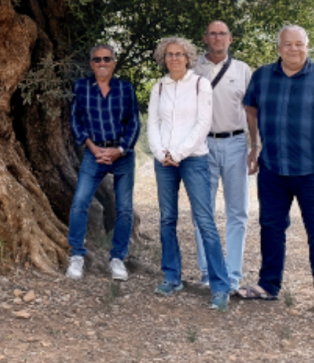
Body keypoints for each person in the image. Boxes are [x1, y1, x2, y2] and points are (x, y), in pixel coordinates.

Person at [238, 25, 314, 317]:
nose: (293, 49)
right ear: (279, 48)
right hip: (273, 166)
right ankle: (268, 285)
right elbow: (251, 109)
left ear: (307, 46)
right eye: (287, 44)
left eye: (299, 44)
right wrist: (255, 146)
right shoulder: (263, 76)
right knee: (271, 227)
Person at [148, 37, 231, 311]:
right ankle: (172, 277)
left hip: (193, 159)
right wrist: (161, 153)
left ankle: (220, 287)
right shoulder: (159, 87)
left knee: (205, 221)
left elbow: (202, 124)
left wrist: (178, 153)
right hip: (164, 161)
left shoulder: (199, 85)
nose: (174, 58)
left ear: (188, 58)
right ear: (164, 58)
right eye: (169, 54)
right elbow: (153, 124)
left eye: (179, 54)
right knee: (167, 219)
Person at [65, 44, 141, 282]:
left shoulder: (125, 89)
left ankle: (117, 258)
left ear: (113, 63)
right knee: (80, 202)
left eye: (107, 59)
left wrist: (119, 150)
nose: (102, 63)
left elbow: (134, 123)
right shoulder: (81, 87)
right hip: (94, 153)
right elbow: (75, 120)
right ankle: (76, 255)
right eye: (97, 59)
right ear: (91, 64)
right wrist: (92, 147)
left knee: (124, 208)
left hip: (122, 155)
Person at [191, 20, 253, 292]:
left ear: (230, 38)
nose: (217, 38)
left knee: (237, 212)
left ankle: (233, 275)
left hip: (236, 143)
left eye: (222, 34)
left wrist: (256, 147)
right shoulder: (193, 69)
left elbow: (251, 110)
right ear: (205, 38)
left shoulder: (242, 70)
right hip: (202, 145)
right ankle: (208, 272)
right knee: (202, 210)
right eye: (213, 34)